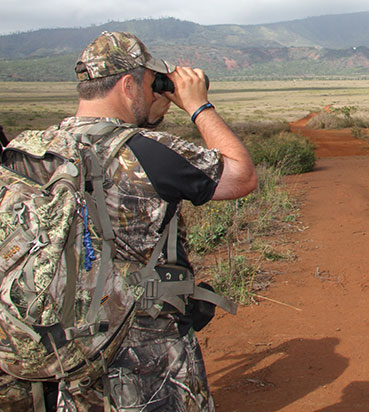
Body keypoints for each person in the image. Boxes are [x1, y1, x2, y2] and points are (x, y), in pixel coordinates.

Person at [0, 31, 257, 411]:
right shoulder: (146, 152)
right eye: (154, 85)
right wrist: (198, 106)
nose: (159, 94)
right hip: (141, 355)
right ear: (127, 85)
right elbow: (241, 177)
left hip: (58, 342)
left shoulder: (30, 151)